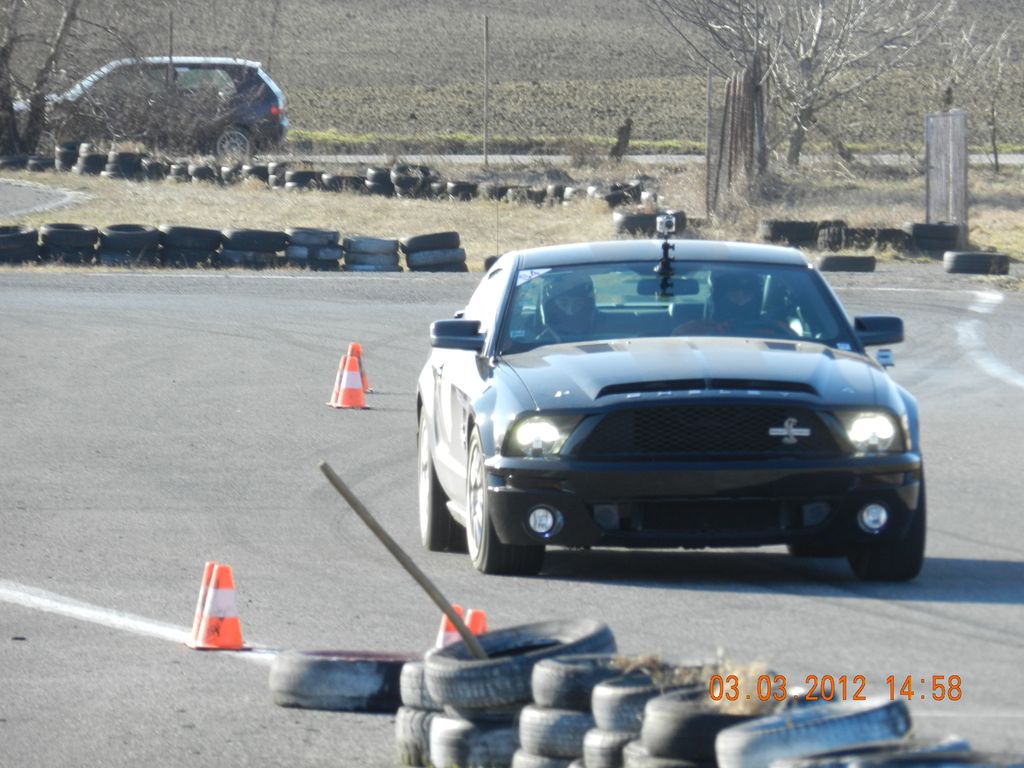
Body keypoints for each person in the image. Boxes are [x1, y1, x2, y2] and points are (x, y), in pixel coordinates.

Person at [539, 271, 597, 342]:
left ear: (587, 303)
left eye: (577, 303)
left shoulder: (605, 330)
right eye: (564, 303)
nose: (570, 310)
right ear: (552, 304)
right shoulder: (541, 342)